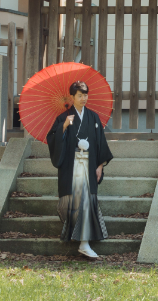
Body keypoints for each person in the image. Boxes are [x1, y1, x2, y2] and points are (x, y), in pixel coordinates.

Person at [46, 80, 114, 259]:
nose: (84, 99)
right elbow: (52, 138)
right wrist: (63, 127)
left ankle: (84, 242)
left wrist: (100, 165)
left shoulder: (93, 117)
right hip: (72, 167)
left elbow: (100, 143)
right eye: (80, 95)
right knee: (75, 202)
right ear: (72, 97)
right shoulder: (63, 117)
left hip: (89, 166)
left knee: (86, 201)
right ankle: (82, 241)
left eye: (85, 95)